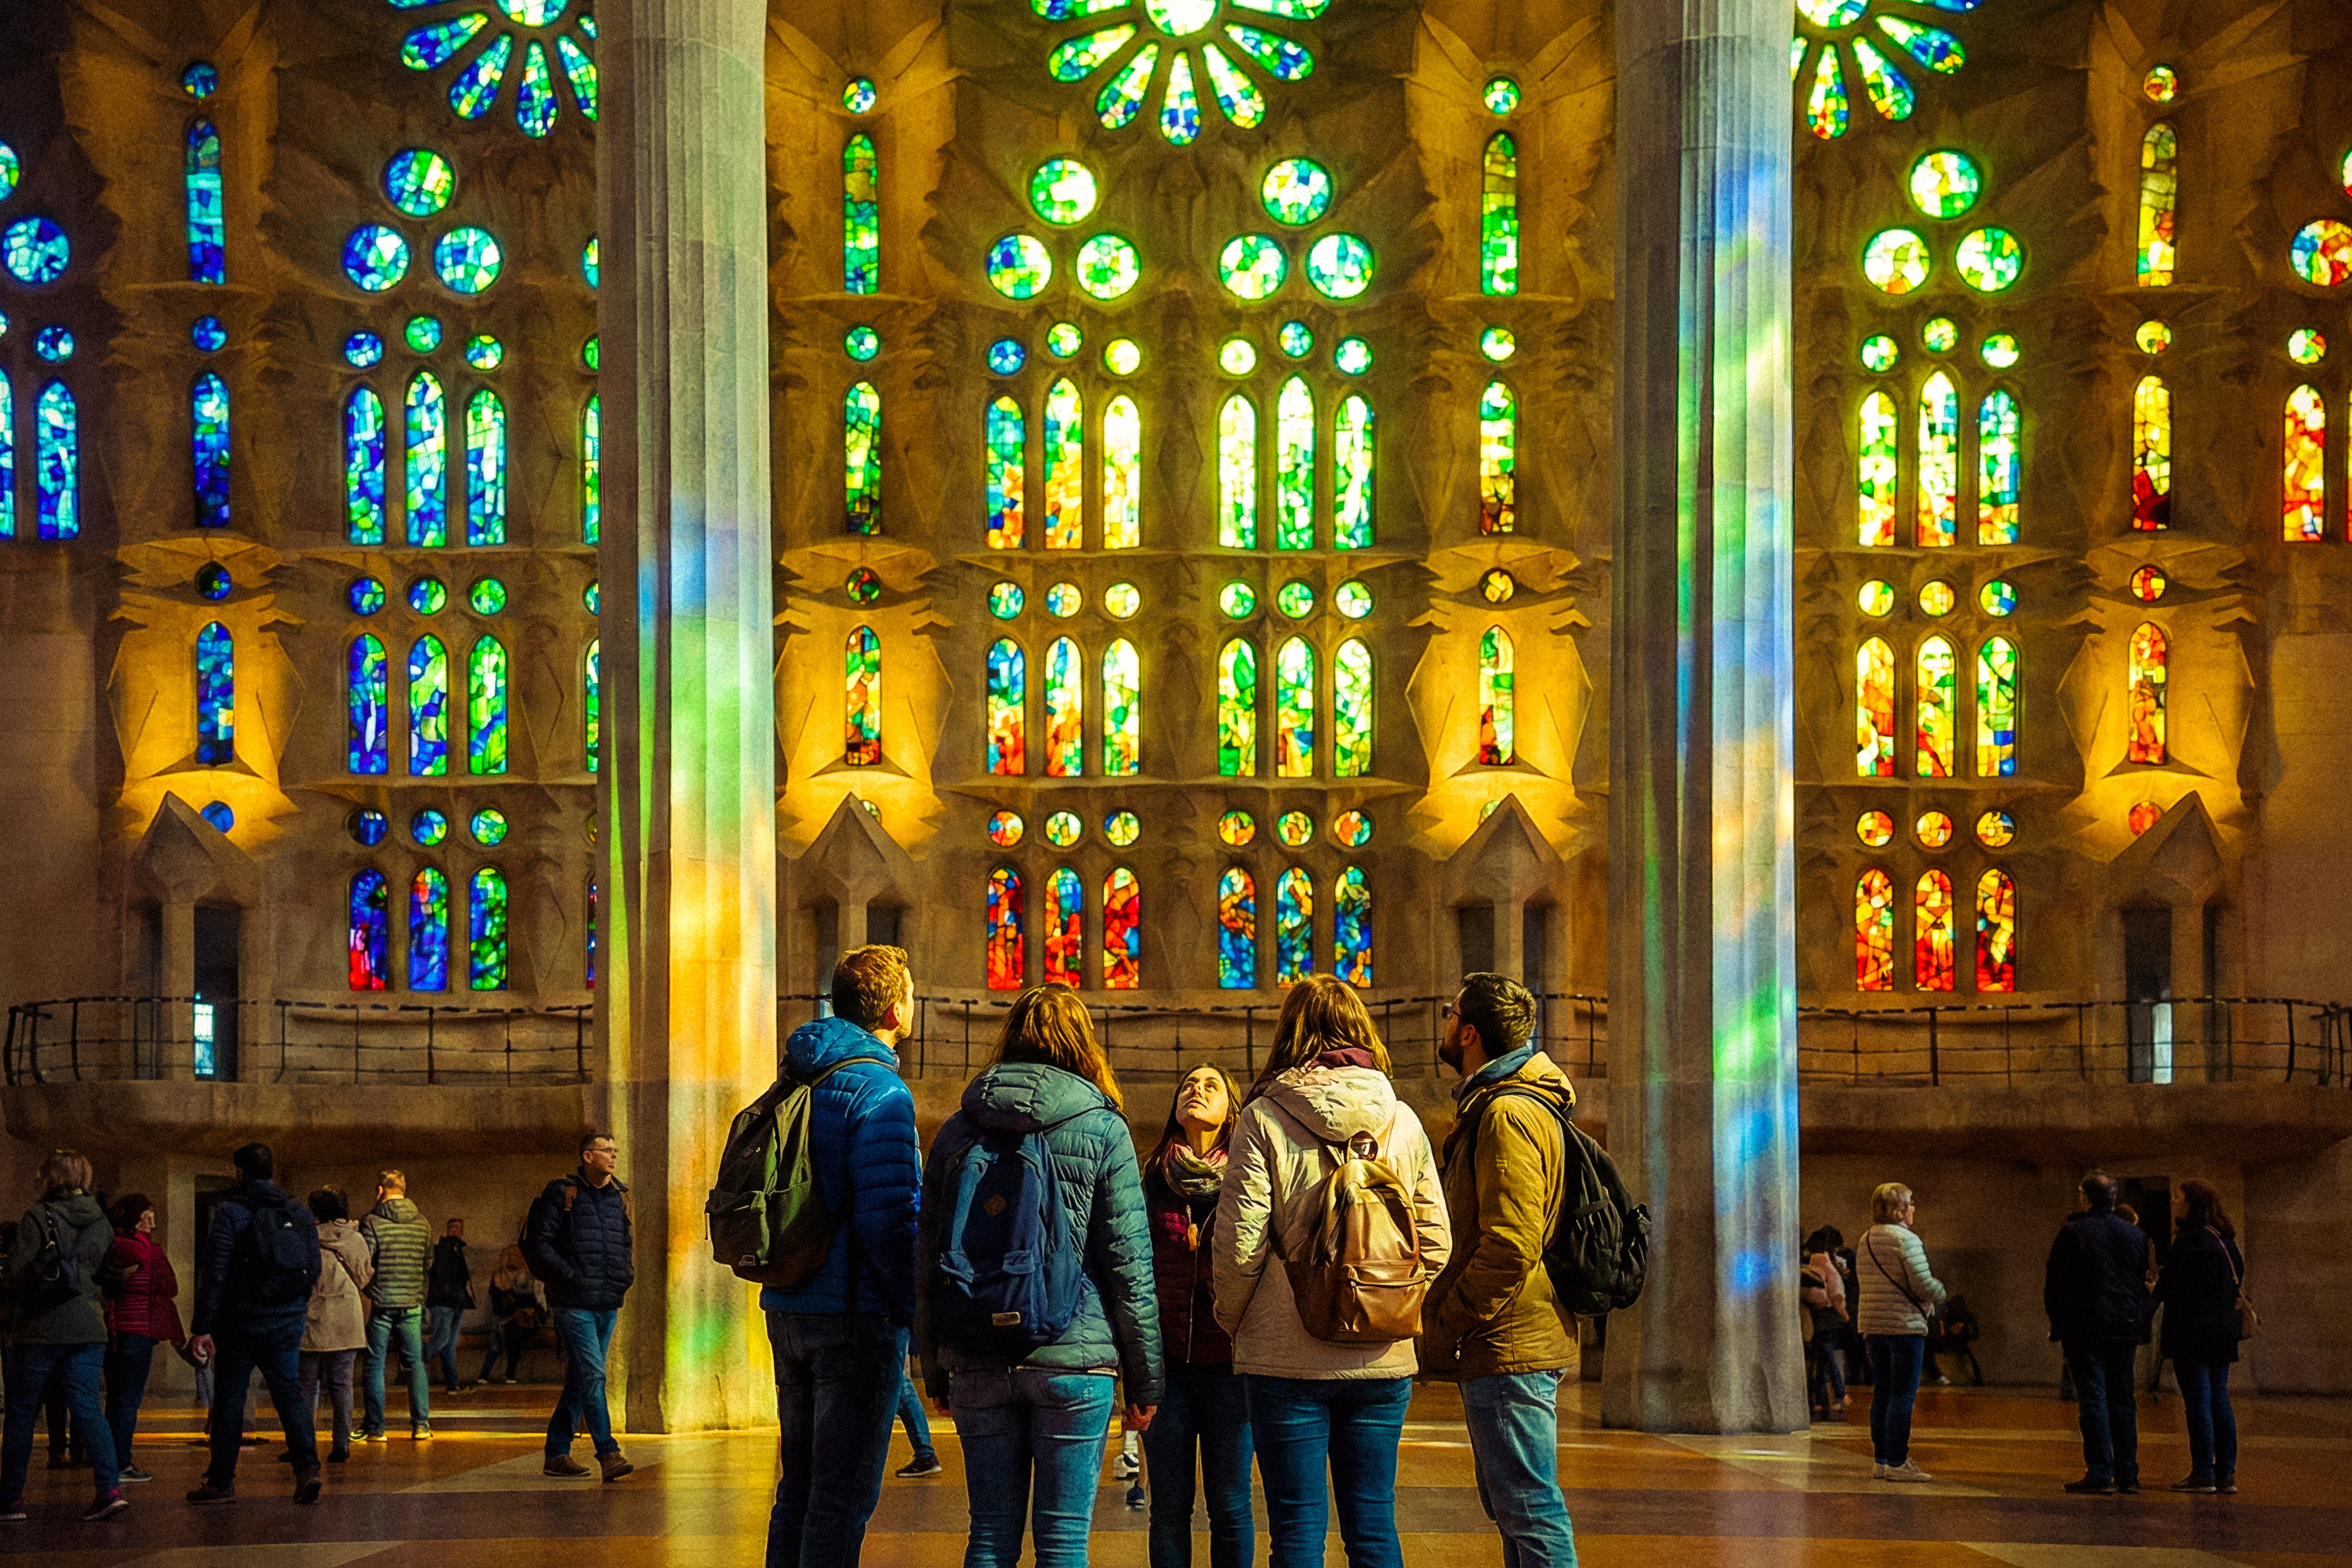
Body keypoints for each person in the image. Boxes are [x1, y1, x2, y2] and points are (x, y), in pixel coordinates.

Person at [917, 984, 1163, 1568]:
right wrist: (1145, 1381)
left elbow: (927, 1254)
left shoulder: (958, 1128)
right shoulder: (1104, 1129)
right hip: (1073, 1360)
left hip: (976, 1352)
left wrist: (934, 1364)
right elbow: (1130, 1266)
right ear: (1084, 1044)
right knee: (1061, 1540)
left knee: (991, 1536)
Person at [1213, 976, 1450, 1568]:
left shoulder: (1263, 1117)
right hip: (1381, 1353)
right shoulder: (1403, 1120)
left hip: (1284, 1353)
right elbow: (1438, 1243)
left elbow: (1239, 1244)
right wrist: (1388, 1297)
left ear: (1288, 1034)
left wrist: (1236, 1322)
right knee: (1373, 1523)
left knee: (1296, 1528)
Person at [758, 943, 922, 1563]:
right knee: (842, 1495)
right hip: (854, 1317)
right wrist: (911, 1311)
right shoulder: (880, 1092)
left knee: (797, 1487)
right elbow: (889, 1220)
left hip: (790, 1305)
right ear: (894, 1009)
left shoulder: (797, 1074)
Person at [1424, 973, 1579, 1568]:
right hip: (1509, 1339)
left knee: (1530, 1511)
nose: (1444, 1023)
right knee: (1515, 1510)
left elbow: (1510, 1245)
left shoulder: (1508, 1113)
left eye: (1448, 1013)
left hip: (1509, 1341)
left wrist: (1451, 1317)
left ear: (1468, 1032)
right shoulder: (1506, 1104)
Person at [1140, 1063, 1251, 1568]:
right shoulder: (1152, 1175)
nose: (1196, 1090)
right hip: (1168, 1368)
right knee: (1168, 1508)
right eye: (1187, 1083)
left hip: (1232, 1365)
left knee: (1230, 1506)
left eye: (1211, 1086)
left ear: (1232, 1109)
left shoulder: (1250, 1174)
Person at [187, 1142, 324, 1506]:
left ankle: (221, 1483)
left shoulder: (231, 1211)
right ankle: (308, 1468)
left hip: (240, 1323)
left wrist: (202, 1325)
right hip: (287, 1320)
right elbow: (315, 1267)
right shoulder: (299, 1210)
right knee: (289, 1394)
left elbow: (214, 1273)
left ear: (239, 1172)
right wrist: (294, 1305)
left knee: (231, 1399)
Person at [0, 1150, 127, 1523]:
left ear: (49, 1177)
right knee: (87, 1405)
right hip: (88, 1326)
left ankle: (10, 1499)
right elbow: (107, 1271)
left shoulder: (38, 1216)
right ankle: (108, 1490)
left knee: (23, 1410)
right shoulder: (101, 1220)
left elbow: (19, 1273)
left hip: (39, 1328)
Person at [523, 1131, 634, 1481]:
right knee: (593, 1375)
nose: (613, 1157)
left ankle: (557, 1452)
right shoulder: (563, 1193)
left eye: (615, 1151)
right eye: (606, 1151)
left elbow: (625, 1242)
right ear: (588, 1157)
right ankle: (609, 1451)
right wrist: (570, 1276)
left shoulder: (619, 1196)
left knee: (580, 1378)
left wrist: (624, 1276)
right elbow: (540, 1244)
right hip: (573, 1302)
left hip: (608, 1300)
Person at [2044, 1172, 2152, 1495]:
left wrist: (2058, 1322)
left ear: (2084, 1199)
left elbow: (2056, 1285)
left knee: (2093, 1401)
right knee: (2123, 1400)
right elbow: (2139, 1283)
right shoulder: (2135, 1235)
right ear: (2114, 1200)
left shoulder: (2073, 1233)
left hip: (2085, 1328)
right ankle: (2128, 1475)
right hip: (2124, 1327)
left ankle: (2100, 1471)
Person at [2156, 1179, 2243, 1495]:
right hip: (2222, 1331)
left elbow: (2169, 1287)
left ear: (2192, 1204)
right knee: (2220, 1400)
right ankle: (2226, 1474)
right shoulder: (2226, 1241)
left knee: (2198, 1403)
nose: (2176, 1204)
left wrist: (2156, 1285)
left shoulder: (2190, 1241)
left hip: (2192, 1332)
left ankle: (2203, 1472)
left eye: (2179, 1199)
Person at [1856, 1181, 1945, 1484]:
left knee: (1881, 1393)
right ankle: (1897, 1461)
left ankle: (1881, 1460)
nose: (1914, 1209)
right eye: (1910, 1203)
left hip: (1874, 1326)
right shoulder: (1906, 1240)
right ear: (1899, 1210)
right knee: (1903, 1395)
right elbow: (1922, 1284)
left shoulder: (1866, 1239)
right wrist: (1941, 1291)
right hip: (1904, 1326)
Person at [104, 1192, 181, 1485]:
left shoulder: (112, 1246)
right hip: (139, 1330)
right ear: (141, 1218)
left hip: (114, 1330)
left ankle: (107, 1458)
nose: (153, 1220)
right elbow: (169, 1287)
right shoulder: (148, 1251)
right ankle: (122, 1463)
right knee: (129, 1401)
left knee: (114, 1398)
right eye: (149, 1214)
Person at [296, 1188, 372, 1465]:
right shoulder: (356, 1238)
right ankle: (341, 1445)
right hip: (347, 1319)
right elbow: (364, 1277)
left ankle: (303, 1445)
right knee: (342, 1385)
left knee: (305, 1386)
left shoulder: (307, 1237)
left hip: (312, 1318)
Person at [358, 1170, 432, 1441]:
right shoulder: (422, 1223)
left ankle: (376, 1428)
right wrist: (417, 1292)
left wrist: (369, 1289)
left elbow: (365, 1262)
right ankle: (421, 1425)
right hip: (412, 1303)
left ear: (380, 1191)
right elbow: (428, 1263)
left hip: (381, 1302)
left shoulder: (372, 1221)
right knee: (415, 1364)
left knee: (375, 1363)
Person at [477, 1247, 544, 1385]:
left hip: (517, 1318)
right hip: (503, 1317)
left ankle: (504, 1373)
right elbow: (498, 1300)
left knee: (511, 1342)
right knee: (498, 1345)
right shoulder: (499, 1277)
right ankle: (491, 1374)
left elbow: (528, 1298)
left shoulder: (524, 1276)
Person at [1802, 1226, 1849, 1420]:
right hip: (1831, 1317)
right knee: (1827, 1358)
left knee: (1821, 1362)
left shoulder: (1808, 1264)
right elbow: (1836, 1293)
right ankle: (1839, 1394)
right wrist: (1844, 1315)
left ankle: (1819, 1402)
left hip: (1816, 1318)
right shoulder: (1829, 1266)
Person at [425, 1218, 474, 1396]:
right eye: (452, 1227)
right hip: (447, 1301)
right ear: (447, 1229)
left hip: (453, 1301)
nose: (455, 1230)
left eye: (458, 1228)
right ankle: (414, 1360)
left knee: (448, 1343)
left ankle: (453, 1384)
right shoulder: (446, 1250)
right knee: (442, 1340)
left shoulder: (458, 1250)